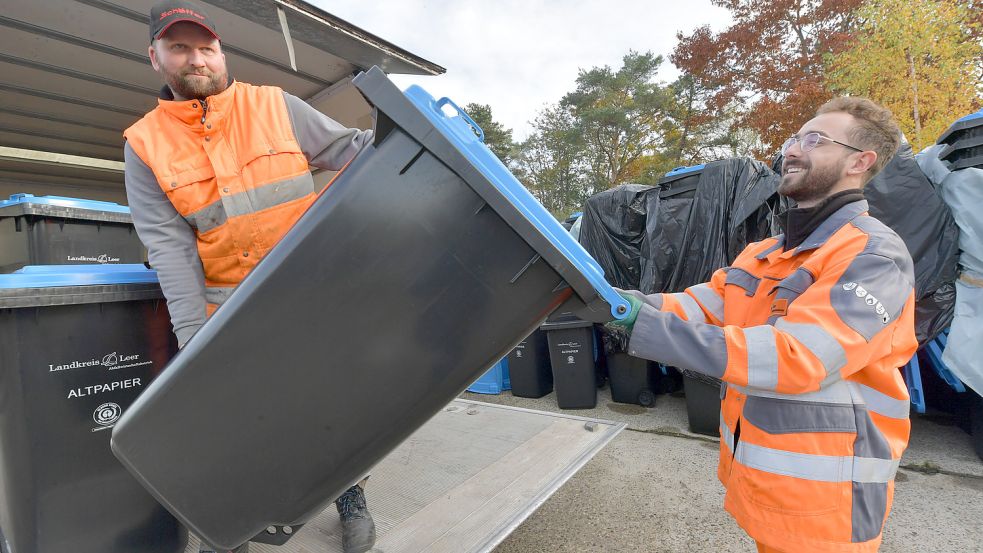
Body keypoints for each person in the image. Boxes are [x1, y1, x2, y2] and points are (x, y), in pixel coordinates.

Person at [607, 97, 917, 552]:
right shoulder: (766, 253)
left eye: (814, 140)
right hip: (769, 488)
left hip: (827, 503)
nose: (792, 149)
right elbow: (701, 306)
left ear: (860, 162)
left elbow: (797, 358)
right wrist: (616, 302)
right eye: (795, 137)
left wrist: (641, 326)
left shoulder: (872, 256)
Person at [122, 2, 376, 552]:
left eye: (206, 47)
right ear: (155, 57)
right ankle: (263, 509)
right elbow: (170, 250)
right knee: (252, 419)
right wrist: (194, 341)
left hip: (309, 296)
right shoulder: (144, 145)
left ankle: (350, 498)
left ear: (221, 51)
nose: (197, 58)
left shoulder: (275, 106)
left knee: (330, 403)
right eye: (180, 47)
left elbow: (353, 151)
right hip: (227, 311)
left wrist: (407, 138)